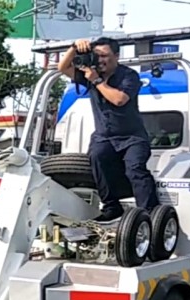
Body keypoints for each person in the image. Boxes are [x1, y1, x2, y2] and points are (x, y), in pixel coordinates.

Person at [57, 36, 160, 222]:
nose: (100, 61)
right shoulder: (90, 74)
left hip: (132, 137)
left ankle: (150, 212)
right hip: (104, 136)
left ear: (116, 56)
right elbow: (62, 67)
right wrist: (73, 47)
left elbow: (119, 100)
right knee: (97, 157)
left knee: (135, 168)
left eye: (104, 56)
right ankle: (112, 206)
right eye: (97, 56)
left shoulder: (129, 75)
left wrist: (97, 82)